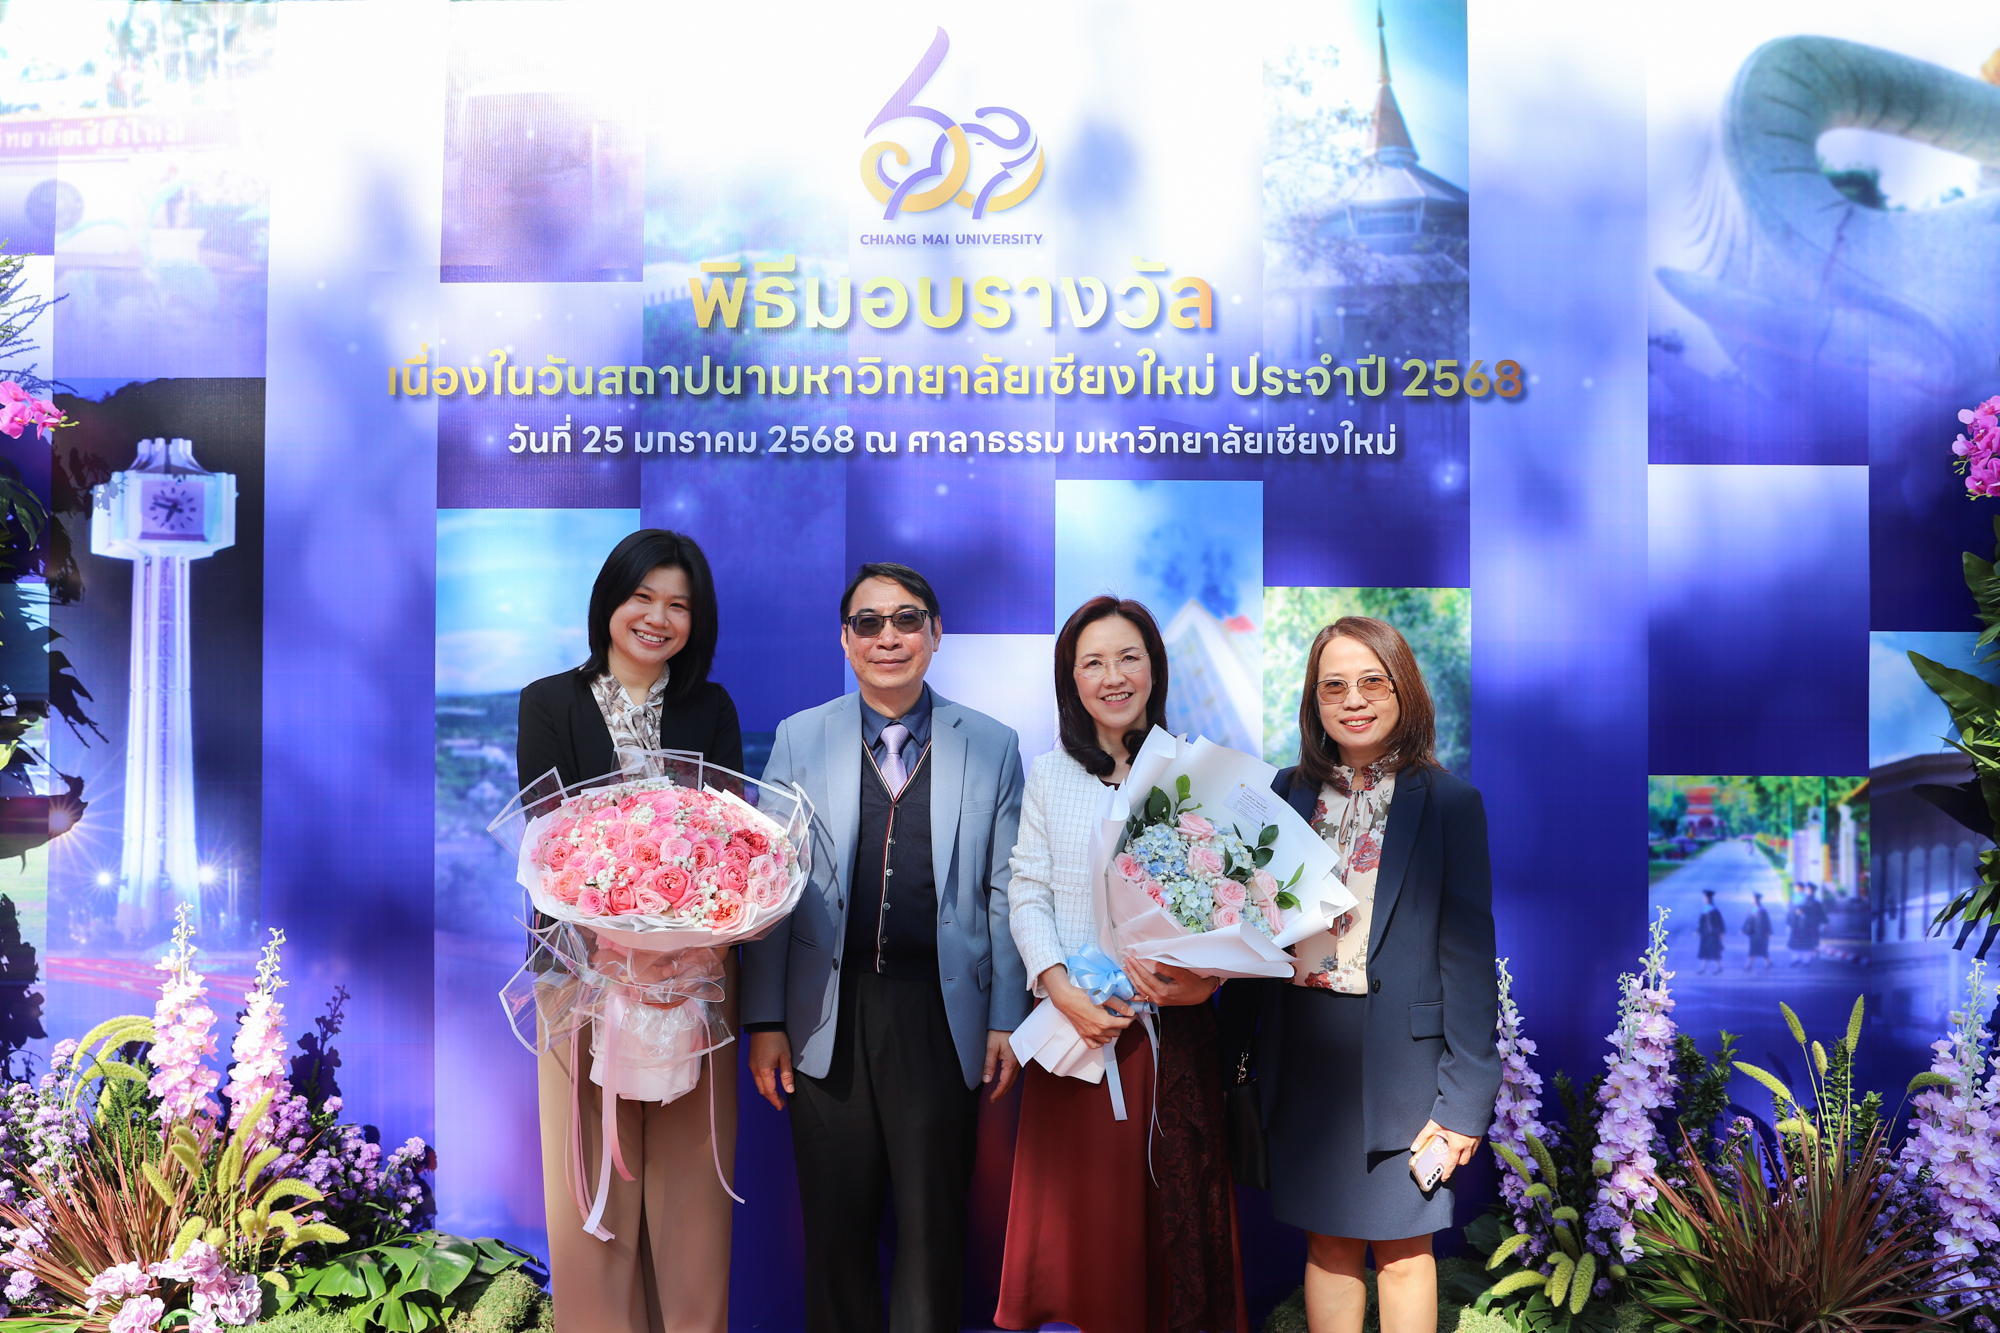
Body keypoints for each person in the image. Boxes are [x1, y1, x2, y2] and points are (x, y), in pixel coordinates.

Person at [742, 562, 1029, 1333]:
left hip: (942, 1014)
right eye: (868, 622)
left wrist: (1006, 1015)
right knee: (835, 1232)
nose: (888, 636)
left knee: (934, 1231)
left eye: (907, 619)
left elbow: (1006, 890)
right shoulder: (801, 737)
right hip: (823, 1014)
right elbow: (766, 884)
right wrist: (764, 1018)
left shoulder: (992, 744)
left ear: (936, 633)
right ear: (846, 639)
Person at [996, 596, 1247, 1333]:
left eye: (1129, 657)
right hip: (1079, 1033)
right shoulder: (1050, 775)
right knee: (1091, 1244)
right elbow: (1027, 892)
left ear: (1154, 670)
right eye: (1094, 662)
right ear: (1071, 679)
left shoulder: (1195, 769)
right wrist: (1060, 989)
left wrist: (1206, 981)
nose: (1114, 677)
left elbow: (1239, 900)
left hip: (1173, 1035)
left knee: (1176, 1235)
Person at [1242, 616, 1499, 1333]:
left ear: (1402, 690)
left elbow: (1470, 960)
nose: (1352, 700)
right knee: (1327, 1245)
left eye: (1370, 682)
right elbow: (1250, 928)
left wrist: (1464, 1101)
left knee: (1404, 1252)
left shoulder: (1449, 804)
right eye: (1333, 686)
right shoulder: (1282, 793)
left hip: (1404, 1068)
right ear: (1314, 701)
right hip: (1304, 1055)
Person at [514, 529, 743, 1333]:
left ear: (696, 621)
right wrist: (618, 934)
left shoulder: (711, 707)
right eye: (642, 596)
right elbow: (548, 838)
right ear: (609, 601)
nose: (657, 617)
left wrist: (692, 940)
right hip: (579, 976)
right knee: (591, 1201)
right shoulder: (549, 700)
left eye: (678, 604)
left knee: (693, 1207)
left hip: (694, 978)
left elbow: (731, 843)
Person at [1787, 883, 1827, 966]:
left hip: (1807, 925)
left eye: (1809, 890)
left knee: (1806, 944)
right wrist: (1789, 922)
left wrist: (1823, 923)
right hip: (1796, 924)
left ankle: (1806, 961)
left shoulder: (1814, 901)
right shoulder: (1795, 898)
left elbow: (1819, 913)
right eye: (1807, 890)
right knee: (1795, 943)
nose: (1807, 891)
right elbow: (1790, 911)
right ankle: (1796, 959)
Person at [1695, 889, 1725, 975]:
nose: (1704, 900)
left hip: (1713, 934)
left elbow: (1720, 922)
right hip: (1705, 934)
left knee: (1713, 951)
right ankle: (1713, 967)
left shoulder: (1714, 910)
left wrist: (1721, 933)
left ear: (1709, 899)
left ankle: (1707, 968)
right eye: (1704, 898)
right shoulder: (1704, 910)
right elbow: (1701, 922)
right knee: (1708, 951)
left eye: (1706, 898)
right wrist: (1697, 931)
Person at [1743, 891, 1773, 970]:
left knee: (1762, 950)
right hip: (1754, 934)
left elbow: (1767, 922)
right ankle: (1767, 963)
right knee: (1754, 950)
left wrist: (1769, 932)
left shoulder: (1763, 911)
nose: (1752, 901)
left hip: (1762, 934)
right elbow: (1748, 920)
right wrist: (1743, 929)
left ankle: (1750, 965)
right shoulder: (1752, 909)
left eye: (1753, 900)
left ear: (1756, 900)